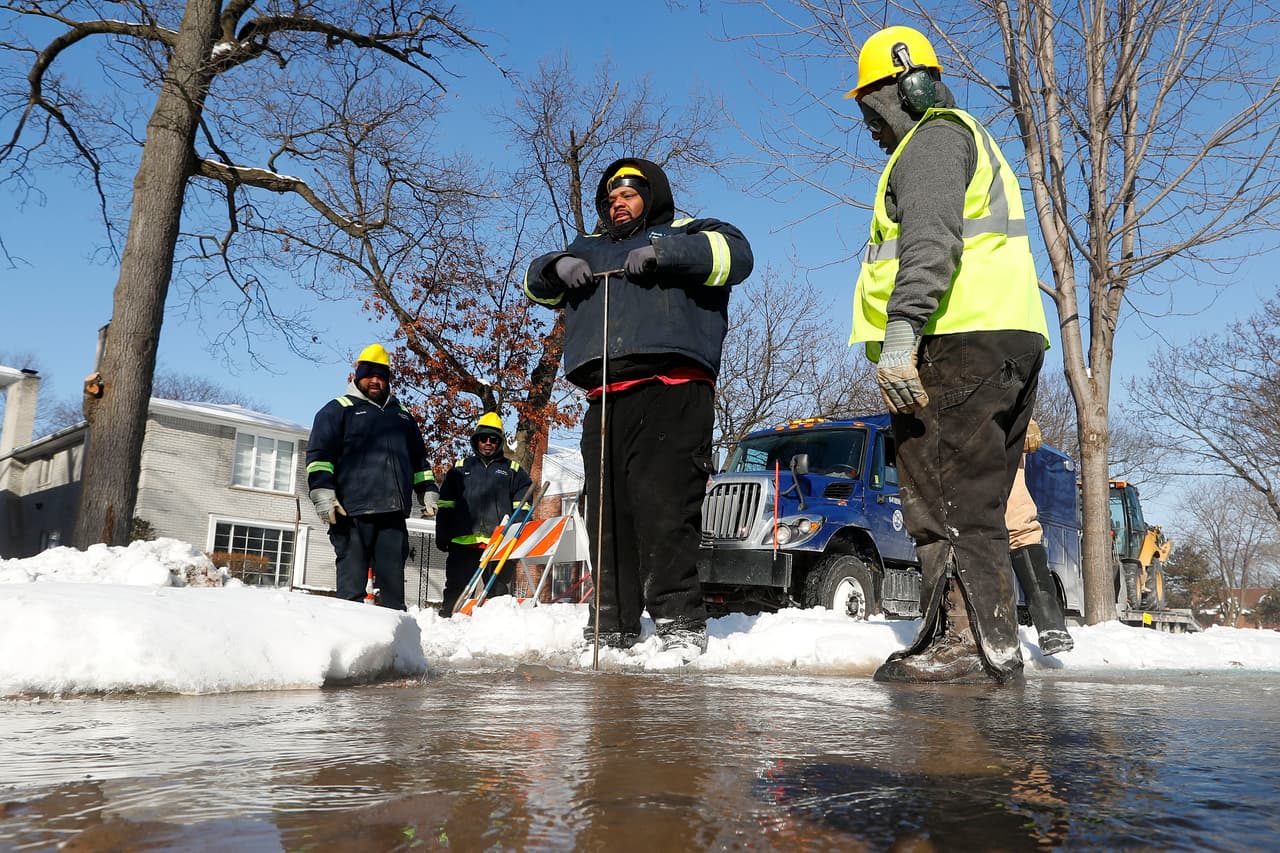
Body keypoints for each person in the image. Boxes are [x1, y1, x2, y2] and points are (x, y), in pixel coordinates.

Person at [846, 26, 1050, 684]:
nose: (871, 128)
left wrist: (902, 332)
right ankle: (990, 647)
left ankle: (962, 645)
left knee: (944, 500)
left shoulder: (931, 141)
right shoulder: (971, 140)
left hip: (955, 342)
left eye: (870, 110)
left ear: (902, 90)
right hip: (1006, 340)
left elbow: (931, 239)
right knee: (977, 504)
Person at [523, 157, 753, 659]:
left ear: (652, 195)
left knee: (666, 508)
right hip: (605, 395)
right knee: (605, 517)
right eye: (610, 197)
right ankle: (610, 628)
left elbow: (737, 256)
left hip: (672, 389)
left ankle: (680, 627)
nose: (617, 202)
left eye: (628, 194)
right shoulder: (589, 247)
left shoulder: (692, 230)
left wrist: (664, 253)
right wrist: (556, 266)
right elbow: (536, 284)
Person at [306, 344, 435, 611]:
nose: (376, 380)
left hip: (393, 515)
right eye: (370, 374)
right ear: (357, 376)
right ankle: (352, 647)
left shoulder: (403, 417)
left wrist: (428, 490)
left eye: (382, 375)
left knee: (393, 597)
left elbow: (419, 460)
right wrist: (322, 492)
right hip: (351, 514)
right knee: (351, 592)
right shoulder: (338, 410)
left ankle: (393, 648)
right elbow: (320, 456)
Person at [434, 412, 533, 617]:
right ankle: (447, 625)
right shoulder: (460, 469)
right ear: (476, 440)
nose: (488, 443)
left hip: (497, 545)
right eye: (483, 438)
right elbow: (446, 504)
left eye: (493, 439)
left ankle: (494, 632)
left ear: (500, 442)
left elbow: (523, 509)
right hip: (462, 543)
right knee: (455, 589)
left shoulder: (513, 471)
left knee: (497, 595)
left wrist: (517, 537)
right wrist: (442, 531)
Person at [1007, 419, 1074, 656]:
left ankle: (1049, 623)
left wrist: (1024, 417)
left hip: (998, 424)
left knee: (1018, 520)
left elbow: (1015, 380)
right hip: (948, 427)